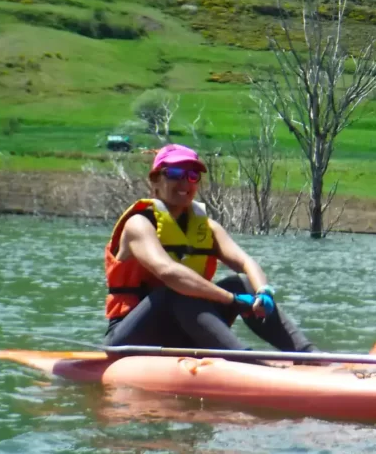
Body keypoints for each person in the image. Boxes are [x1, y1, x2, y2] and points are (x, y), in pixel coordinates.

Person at [102, 143, 324, 364]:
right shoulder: (138, 224)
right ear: (155, 180)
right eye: (175, 173)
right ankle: (246, 360)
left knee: (241, 283)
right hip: (133, 338)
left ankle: (305, 354)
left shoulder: (207, 227)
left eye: (192, 176)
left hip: (186, 331)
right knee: (177, 290)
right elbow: (169, 272)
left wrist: (263, 293)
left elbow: (246, 263)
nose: (184, 182)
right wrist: (231, 300)